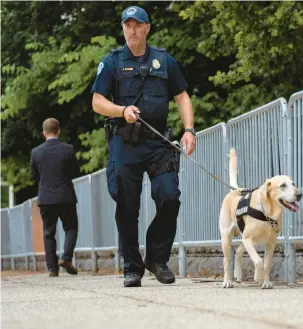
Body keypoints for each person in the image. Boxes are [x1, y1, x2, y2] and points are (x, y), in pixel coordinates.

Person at [90, 5, 196, 288]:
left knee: (169, 196)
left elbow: (182, 96)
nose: (132, 29)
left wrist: (189, 130)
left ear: (147, 28)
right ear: (123, 28)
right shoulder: (112, 62)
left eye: (138, 25)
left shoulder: (164, 60)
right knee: (127, 205)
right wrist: (121, 110)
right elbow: (97, 101)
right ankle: (132, 267)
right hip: (124, 142)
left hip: (158, 142)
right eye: (127, 25)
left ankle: (157, 259)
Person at [30, 118, 80, 277]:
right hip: (66, 196)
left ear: (44, 133)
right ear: (58, 131)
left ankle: (52, 268)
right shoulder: (68, 149)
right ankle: (66, 258)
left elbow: (33, 176)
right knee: (71, 227)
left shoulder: (36, 152)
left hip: (46, 198)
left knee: (48, 233)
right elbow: (75, 172)